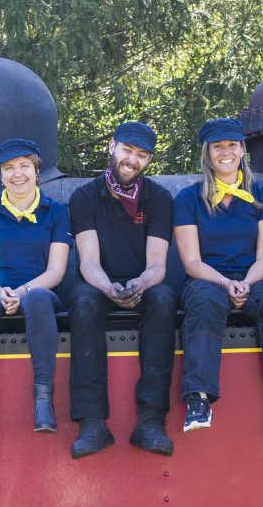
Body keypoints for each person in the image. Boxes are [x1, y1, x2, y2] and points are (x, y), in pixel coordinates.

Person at [174, 117, 263, 437]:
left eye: (232, 145)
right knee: (204, 303)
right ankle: (198, 397)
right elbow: (191, 261)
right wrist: (225, 283)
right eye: (217, 146)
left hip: (255, 276)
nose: (225, 152)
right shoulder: (187, 199)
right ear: (207, 153)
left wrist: (247, 282)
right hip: (207, 278)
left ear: (243, 149)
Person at [65, 120, 180, 457]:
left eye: (142, 155)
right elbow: (88, 262)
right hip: (99, 282)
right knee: (83, 303)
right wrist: (111, 289)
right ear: (112, 146)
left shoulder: (158, 198)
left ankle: (150, 421)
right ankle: (92, 423)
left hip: (143, 282)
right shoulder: (85, 197)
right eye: (128, 150)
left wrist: (140, 284)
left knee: (163, 299)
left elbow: (158, 264)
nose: (132, 160)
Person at [0, 138, 71, 437]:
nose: (17, 174)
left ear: (37, 171)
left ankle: (43, 400)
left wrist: (22, 291)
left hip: (40, 292)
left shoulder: (56, 212)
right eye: (8, 168)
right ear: (0, 175)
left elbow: (56, 270)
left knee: (37, 298)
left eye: (24, 166)